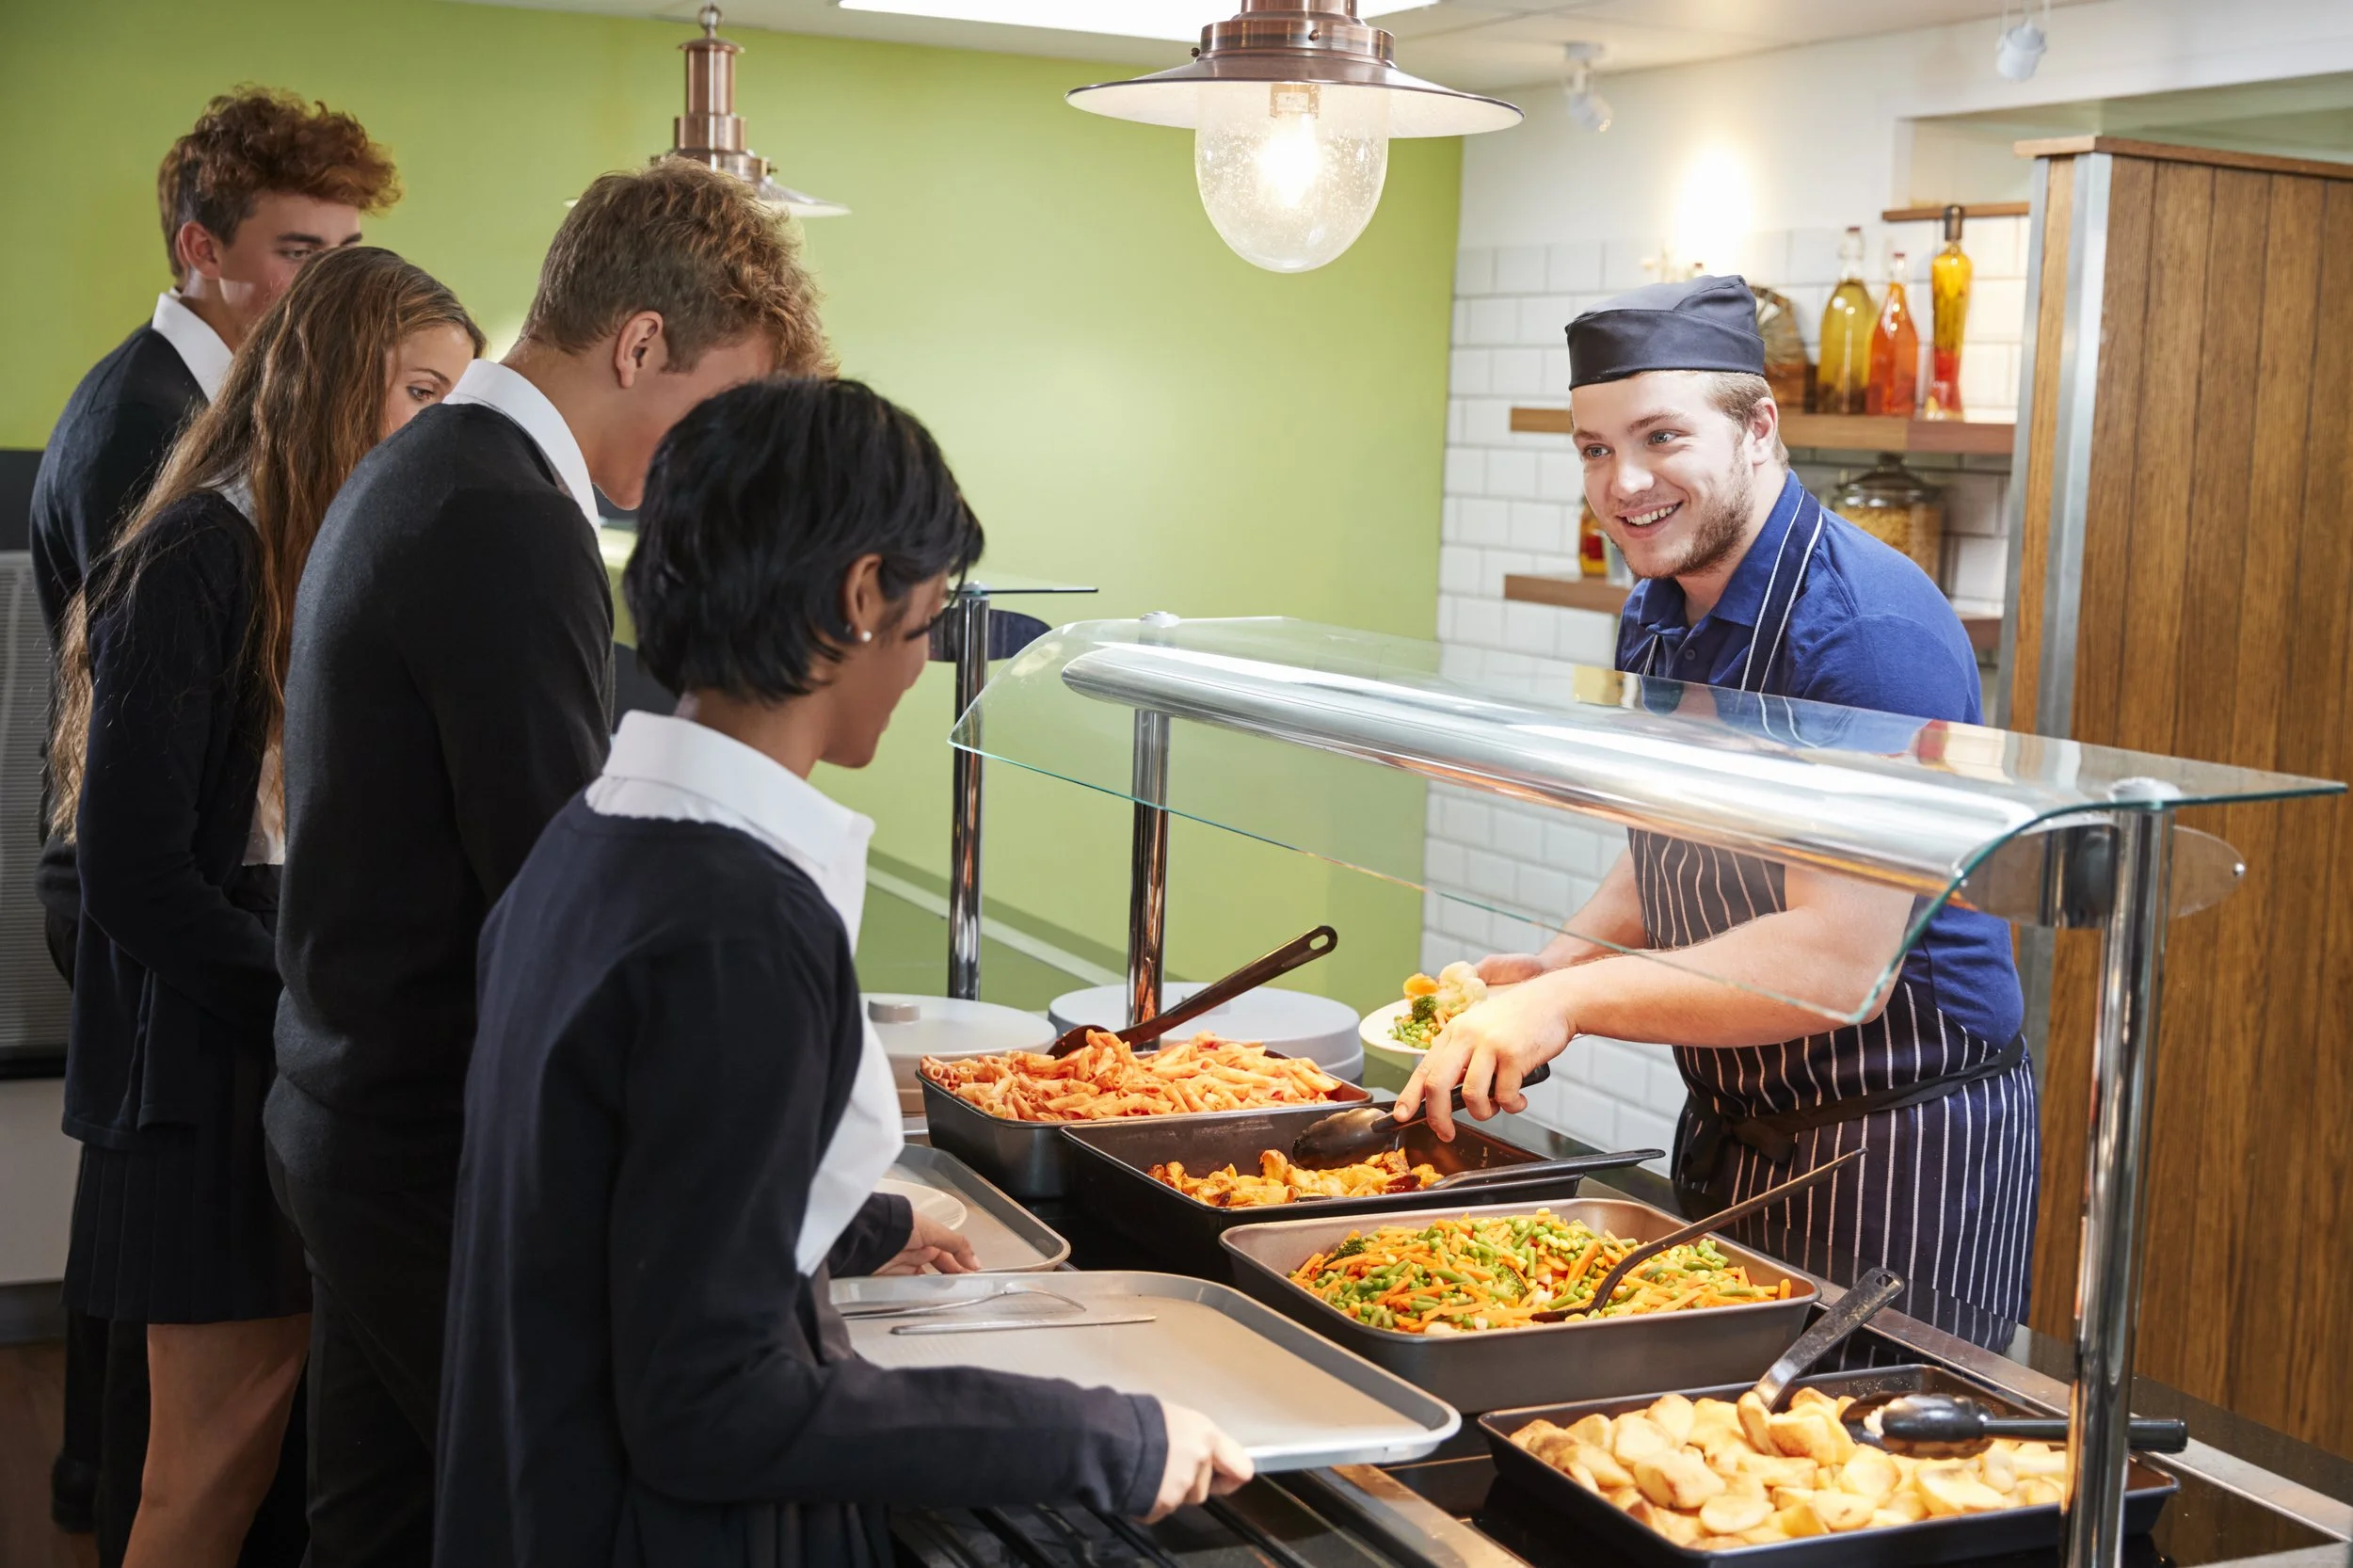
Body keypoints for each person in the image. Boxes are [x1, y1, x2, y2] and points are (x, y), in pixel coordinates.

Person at [435, 376, 1252, 1567]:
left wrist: (871, 1221)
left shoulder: (593, 843)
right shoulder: (738, 928)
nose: (921, 669)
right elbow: (712, 1407)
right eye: (926, 625)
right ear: (861, 595)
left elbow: (628, 1209)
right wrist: (1101, 1434)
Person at [266, 157, 832, 1568]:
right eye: (716, 406)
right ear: (638, 343)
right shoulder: (507, 518)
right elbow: (561, 895)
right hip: (426, 1150)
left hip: (351, 1112)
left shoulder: (431, 466)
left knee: (379, 1526)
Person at [1397, 276, 2037, 1342]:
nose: (1623, 482)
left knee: (1853, 1463)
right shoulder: (1656, 608)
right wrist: (1551, 971)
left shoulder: (1863, 635)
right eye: (1594, 448)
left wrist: (1571, 1004)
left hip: (1900, 1142)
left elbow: (1838, 965)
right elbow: (1665, 860)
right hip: (1740, 1120)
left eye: (1659, 437)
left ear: (1757, 428)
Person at [47, 246, 479, 1568]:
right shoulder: (197, 554)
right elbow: (133, 872)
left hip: (276, 1058)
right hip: (201, 1074)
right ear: (332, 382)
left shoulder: (319, 551)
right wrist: (311, 1007)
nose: (433, 430)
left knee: (274, 1455)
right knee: (203, 1471)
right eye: (416, 391)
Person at [25, 86, 397, 1552]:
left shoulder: (202, 401)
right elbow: (153, 772)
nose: (335, 284)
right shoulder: (152, 431)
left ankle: (106, 1493)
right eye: (305, 251)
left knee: (173, 1289)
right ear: (201, 249)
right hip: (144, 870)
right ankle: (113, 1502)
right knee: (189, 1299)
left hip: (168, 868)